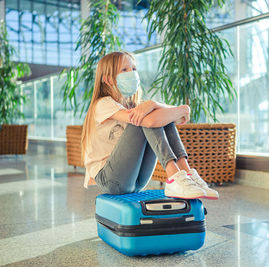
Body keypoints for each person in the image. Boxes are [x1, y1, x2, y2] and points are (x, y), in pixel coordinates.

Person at [81, 51, 219, 200]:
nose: (132, 73)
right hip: (109, 179)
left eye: (134, 69)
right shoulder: (103, 104)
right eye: (124, 70)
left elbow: (174, 119)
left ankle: (187, 173)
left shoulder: (132, 105)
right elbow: (151, 121)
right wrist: (182, 109)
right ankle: (173, 176)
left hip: (136, 180)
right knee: (145, 118)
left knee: (158, 117)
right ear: (108, 79)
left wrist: (155, 104)